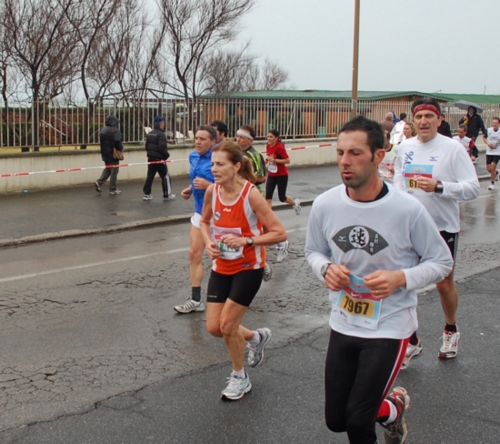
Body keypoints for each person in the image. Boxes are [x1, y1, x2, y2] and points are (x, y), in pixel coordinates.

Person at [305, 115, 453, 444]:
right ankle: (393, 409)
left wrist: (401, 277)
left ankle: (380, 413)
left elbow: (441, 261)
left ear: (378, 156)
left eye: (356, 153)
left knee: (358, 422)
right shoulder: (325, 205)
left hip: (390, 325)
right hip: (343, 321)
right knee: (336, 420)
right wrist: (326, 270)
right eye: (341, 152)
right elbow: (314, 252)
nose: (345, 161)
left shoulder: (406, 210)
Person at [394, 97, 480, 367]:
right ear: (412, 121)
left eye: (429, 117)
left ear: (439, 120)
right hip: (409, 229)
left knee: (443, 284)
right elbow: (398, 179)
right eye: (418, 117)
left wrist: (440, 186)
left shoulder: (452, 149)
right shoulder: (404, 147)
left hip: (442, 227)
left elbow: (473, 187)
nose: (423, 122)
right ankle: (412, 340)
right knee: (405, 283)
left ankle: (450, 330)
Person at [200, 141, 286, 401]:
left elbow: (279, 233)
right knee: (214, 328)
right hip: (222, 266)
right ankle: (256, 337)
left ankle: (240, 378)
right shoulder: (212, 193)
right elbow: (204, 222)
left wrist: (248, 241)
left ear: (236, 166)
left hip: (250, 267)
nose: (214, 169)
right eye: (213, 164)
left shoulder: (250, 194)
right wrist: (208, 244)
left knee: (228, 325)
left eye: (220, 164)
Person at [174, 126, 216, 314]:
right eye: (196, 138)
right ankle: (196, 300)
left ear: (213, 141)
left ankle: (259, 264)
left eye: (203, 139)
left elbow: (234, 185)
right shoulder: (193, 156)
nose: (198, 142)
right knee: (194, 253)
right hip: (201, 212)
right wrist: (190, 189)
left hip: (222, 215)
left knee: (219, 258)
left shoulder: (220, 159)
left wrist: (210, 186)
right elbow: (196, 179)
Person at [264, 129, 301, 263]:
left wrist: (275, 159)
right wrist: (267, 162)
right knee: (267, 197)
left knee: (281, 197)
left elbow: (287, 160)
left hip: (282, 175)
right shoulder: (268, 146)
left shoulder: (280, 147)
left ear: (277, 138)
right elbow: (270, 158)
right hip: (272, 175)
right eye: (268, 136)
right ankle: (269, 217)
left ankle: (295, 203)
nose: (268, 139)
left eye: (271, 137)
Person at [142, 116, 175, 201]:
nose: (164, 125)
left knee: (150, 176)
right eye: (163, 123)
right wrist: (166, 155)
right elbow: (161, 147)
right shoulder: (161, 135)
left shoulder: (150, 133)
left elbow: (146, 146)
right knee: (165, 176)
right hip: (159, 159)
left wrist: (150, 154)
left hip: (151, 158)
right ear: (160, 124)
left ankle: (146, 194)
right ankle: (167, 194)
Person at [94, 115, 124, 195]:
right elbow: (118, 142)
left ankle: (99, 182)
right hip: (113, 154)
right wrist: (121, 149)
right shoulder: (115, 130)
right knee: (114, 171)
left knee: (108, 169)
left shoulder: (103, 130)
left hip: (105, 153)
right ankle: (113, 189)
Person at [482, 117, 500, 190]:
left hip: (497, 152)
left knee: (492, 167)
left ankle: (492, 183)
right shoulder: (488, 130)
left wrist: (496, 145)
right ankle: (496, 172)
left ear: (499, 124)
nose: (494, 124)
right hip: (489, 151)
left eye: (496, 123)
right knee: (489, 169)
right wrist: (488, 143)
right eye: (493, 123)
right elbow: (484, 137)